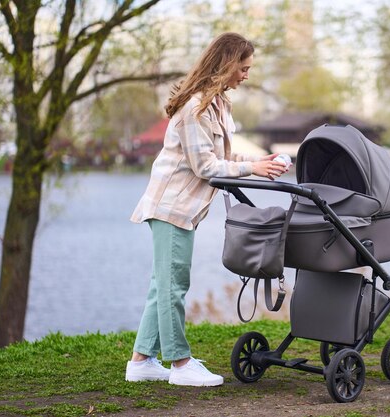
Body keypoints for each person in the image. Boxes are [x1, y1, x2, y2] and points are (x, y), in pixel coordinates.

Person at [125, 32, 287, 386]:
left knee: (162, 285)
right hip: (170, 206)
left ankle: (141, 361)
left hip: (184, 209)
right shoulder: (194, 107)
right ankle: (180, 365)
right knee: (173, 286)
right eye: (243, 68)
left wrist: (261, 161)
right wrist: (251, 170)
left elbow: (223, 157)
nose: (246, 75)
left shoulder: (218, 104)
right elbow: (205, 168)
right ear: (227, 65)